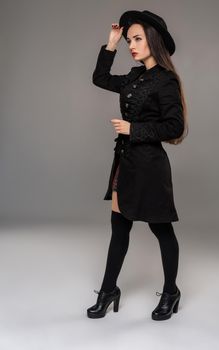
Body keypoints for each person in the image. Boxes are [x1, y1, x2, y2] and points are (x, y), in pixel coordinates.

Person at [87, 10, 188, 321]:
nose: (132, 44)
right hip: (126, 163)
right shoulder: (134, 76)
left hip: (151, 167)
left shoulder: (166, 80)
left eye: (137, 39)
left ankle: (171, 291)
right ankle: (108, 291)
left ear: (153, 41)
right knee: (119, 229)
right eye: (130, 39)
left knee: (161, 229)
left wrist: (135, 129)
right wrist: (111, 44)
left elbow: (175, 126)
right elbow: (100, 78)